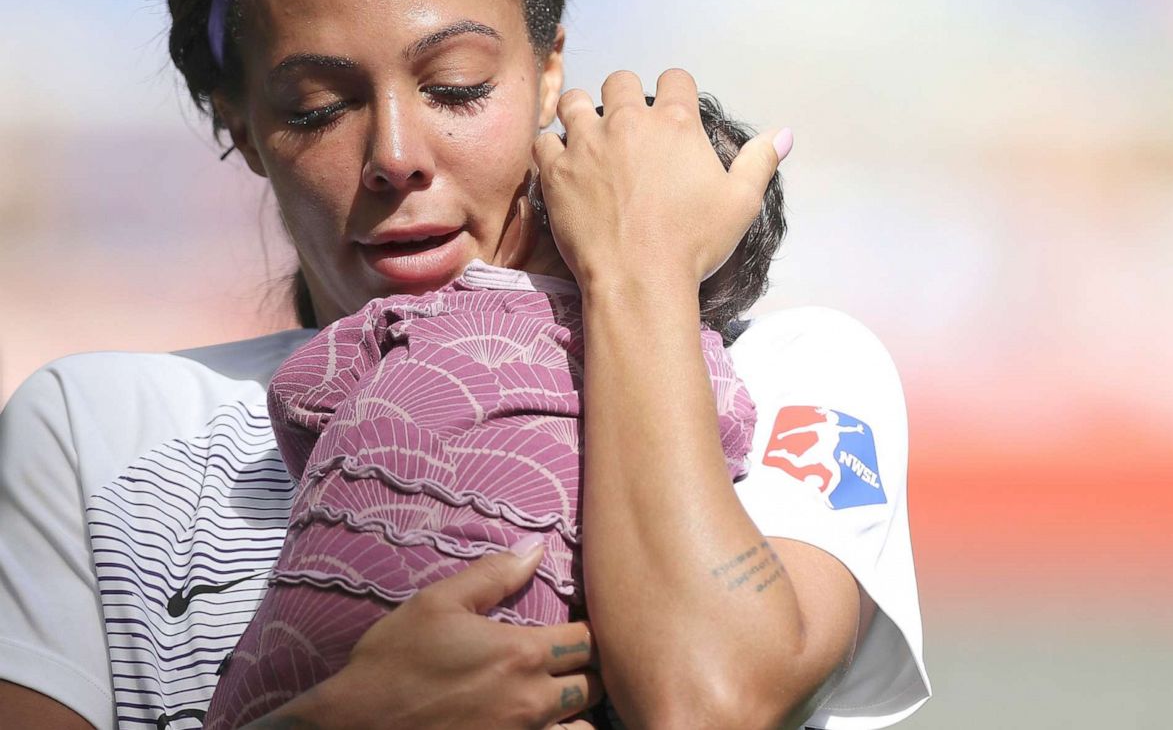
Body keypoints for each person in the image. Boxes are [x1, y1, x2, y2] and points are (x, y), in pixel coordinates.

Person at [0, 0, 929, 729]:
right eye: (319, 107)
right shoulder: (92, 431)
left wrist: (638, 272)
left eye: (455, 87)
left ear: (548, 68)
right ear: (238, 123)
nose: (396, 155)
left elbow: (708, 705)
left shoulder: (789, 374)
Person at [206, 96, 772, 729]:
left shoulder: (443, 305)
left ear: (538, 195)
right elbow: (719, 450)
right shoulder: (700, 369)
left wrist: (347, 479)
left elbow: (301, 395)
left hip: (289, 666)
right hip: (534, 672)